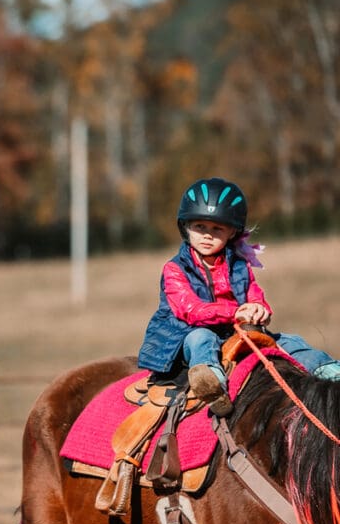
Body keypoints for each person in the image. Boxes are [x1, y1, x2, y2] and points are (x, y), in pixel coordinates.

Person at [138, 177, 340, 416]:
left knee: (289, 341)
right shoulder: (174, 269)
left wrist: (259, 309)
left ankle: (327, 369)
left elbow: (254, 294)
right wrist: (235, 312)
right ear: (186, 226)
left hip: (234, 332)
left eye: (217, 229)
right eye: (200, 227)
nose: (207, 235)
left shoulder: (239, 266)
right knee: (201, 338)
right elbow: (190, 310)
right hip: (185, 334)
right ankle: (212, 383)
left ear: (232, 232)